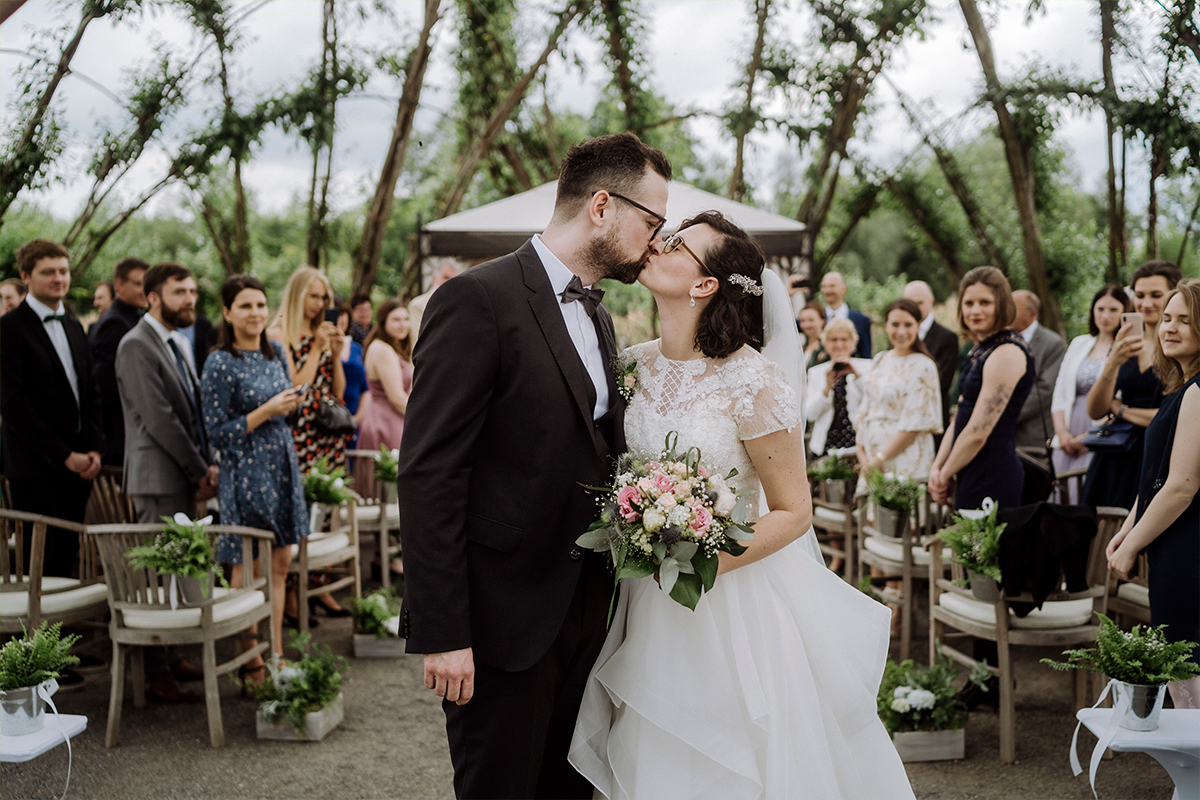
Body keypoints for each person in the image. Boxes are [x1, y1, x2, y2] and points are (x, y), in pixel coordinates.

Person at [570, 211, 914, 799]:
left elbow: (793, 510)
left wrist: (698, 559)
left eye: (678, 243)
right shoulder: (632, 365)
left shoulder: (752, 382)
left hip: (726, 599)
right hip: (644, 597)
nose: (660, 242)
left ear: (705, 286)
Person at [398, 132, 669, 799]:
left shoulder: (599, 317)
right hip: (501, 623)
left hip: (587, 614)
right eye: (652, 220)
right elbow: (430, 470)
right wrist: (443, 632)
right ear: (602, 206)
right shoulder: (476, 300)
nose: (657, 239)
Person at [202, 274, 307, 678]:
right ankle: (251, 661)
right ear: (228, 313)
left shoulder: (276, 351)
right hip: (244, 472)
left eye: (261, 305)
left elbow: (289, 410)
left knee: (281, 565)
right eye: (245, 306)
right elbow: (215, 432)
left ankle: (276, 652)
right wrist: (265, 410)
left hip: (281, 466)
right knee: (247, 568)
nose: (255, 313)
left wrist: (291, 405)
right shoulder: (219, 362)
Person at [1107, 279, 1200, 710]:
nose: (1169, 327)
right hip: (1172, 543)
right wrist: (1128, 530)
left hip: (1189, 545)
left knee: (1187, 663)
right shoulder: (1181, 390)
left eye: (1185, 319)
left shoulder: (1199, 393)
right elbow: (1155, 476)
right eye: (1166, 318)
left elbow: (1182, 486)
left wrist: (1133, 546)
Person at [0, 239, 102, 577]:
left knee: (67, 560)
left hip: (80, 468)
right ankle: (34, 631)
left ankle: (63, 631)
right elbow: (14, 406)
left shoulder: (74, 325)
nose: (59, 278)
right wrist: (62, 455)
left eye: (63, 270)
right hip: (35, 468)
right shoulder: (9, 329)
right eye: (48, 272)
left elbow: (90, 392)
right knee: (37, 562)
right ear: (26, 276)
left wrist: (93, 449)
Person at [115, 262, 218, 524]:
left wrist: (210, 461)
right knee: (162, 565)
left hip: (182, 476)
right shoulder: (136, 344)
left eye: (192, 291)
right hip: (158, 481)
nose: (190, 300)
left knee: (183, 563)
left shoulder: (178, 341)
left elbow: (194, 409)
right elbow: (160, 418)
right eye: (179, 292)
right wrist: (200, 470)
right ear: (153, 298)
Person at [929, 267, 1034, 512]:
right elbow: (961, 416)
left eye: (985, 302)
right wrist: (937, 467)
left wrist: (944, 475)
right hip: (967, 470)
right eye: (969, 303)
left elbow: (978, 432)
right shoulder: (980, 348)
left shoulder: (1007, 352)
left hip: (991, 474)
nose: (975, 310)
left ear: (1003, 304)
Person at [1083, 260, 1181, 510]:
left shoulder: (1179, 346)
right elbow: (1095, 410)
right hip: (1115, 452)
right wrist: (1113, 362)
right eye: (1140, 295)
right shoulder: (1125, 343)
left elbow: (1172, 417)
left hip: (1156, 453)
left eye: (1156, 295)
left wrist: (1121, 410)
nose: (1146, 303)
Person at [1050, 285, 1130, 500]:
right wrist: (1063, 434)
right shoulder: (1079, 343)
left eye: (1113, 310)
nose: (1105, 315)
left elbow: (1122, 397)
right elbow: (1061, 391)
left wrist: (1088, 438)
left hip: (1100, 433)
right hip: (1068, 431)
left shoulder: (1128, 348)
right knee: (1061, 496)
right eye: (1100, 308)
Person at [268, 267, 348, 471]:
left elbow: (338, 392)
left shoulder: (320, 332)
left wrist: (336, 355)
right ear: (297, 294)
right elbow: (297, 386)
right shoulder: (279, 334)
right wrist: (317, 349)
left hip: (328, 424)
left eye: (323, 298)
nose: (319, 303)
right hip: (300, 427)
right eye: (313, 296)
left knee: (331, 494)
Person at [855, 298, 943, 479]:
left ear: (918, 326)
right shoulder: (880, 359)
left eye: (908, 324)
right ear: (886, 325)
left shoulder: (924, 366)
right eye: (895, 324)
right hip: (870, 461)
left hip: (905, 461)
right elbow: (865, 409)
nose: (901, 331)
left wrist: (878, 460)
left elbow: (914, 424)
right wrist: (863, 456)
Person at [89, 257, 149, 466]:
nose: (145, 290)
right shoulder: (115, 323)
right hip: (120, 437)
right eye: (139, 283)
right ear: (120, 285)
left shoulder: (133, 318)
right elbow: (105, 386)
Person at [804, 317, 872, 457]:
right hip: (825, 447)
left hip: (860, 447)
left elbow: (873, 402)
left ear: (853, 343)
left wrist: (857, 376)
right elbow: (810, 415)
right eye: (833, 340)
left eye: (844, 339)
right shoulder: (816, 372)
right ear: (826, 343)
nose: (839, 344)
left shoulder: (867, 367)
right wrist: (826, 388)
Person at [1011, 290, 1066, 454]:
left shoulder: (1053, 343)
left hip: (1034, 436)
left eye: (1015, 307)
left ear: (1032, 313)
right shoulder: (1002, 341)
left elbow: (1045, 389)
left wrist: (1005, 414)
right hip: (1005, 437)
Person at [903, 280, 959, 435]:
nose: (914, 307)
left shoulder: (947, 338)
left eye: (920, 302)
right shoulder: (898, 336)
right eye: (910, 302)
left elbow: (942, 382)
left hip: (931, 419)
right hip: (900, 418)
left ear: (931, 302)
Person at [334, 300, 370, 430]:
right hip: (331, 416)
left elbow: (365, 387)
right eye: (335, 314)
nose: (339, 319)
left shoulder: (356, 348)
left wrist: (357, 418)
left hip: (355, 418)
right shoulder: (320, 347)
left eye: (342, 314)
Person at [820, 270, 872, 358]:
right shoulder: (814, 319)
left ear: (844, 290)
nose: (827, 290)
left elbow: (866, 355)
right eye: (824, 286)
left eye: (832, 286)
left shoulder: (862, 320)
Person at [408, 260, 460, 345]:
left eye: (454, 279)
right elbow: (416, 343)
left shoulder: (461, 305)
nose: (450, 283)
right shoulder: (418, 305)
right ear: (434, 278)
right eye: (446, 277)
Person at [798, 300, 829, 370]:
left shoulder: (826, 346)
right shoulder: (801, 346)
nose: (806, 325)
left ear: (822, 321)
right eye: (803, 321)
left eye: (811, 320)